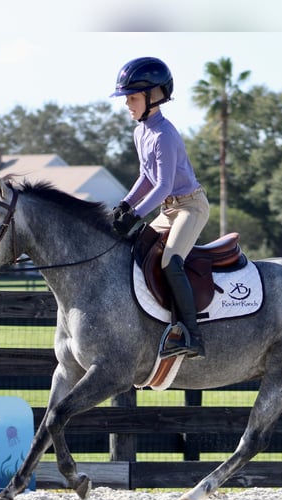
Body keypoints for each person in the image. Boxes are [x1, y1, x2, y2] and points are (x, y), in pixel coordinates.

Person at [110, 57, 210, 359]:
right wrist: (126, 204)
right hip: (168, 210)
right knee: (137, 252)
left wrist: (138, 214)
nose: (128, 104)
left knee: (170, 262)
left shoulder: (164, 134)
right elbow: (145, 176)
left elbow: (164, 185)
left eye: (133, 98)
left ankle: (192, 335)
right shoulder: (141, 132)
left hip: (190, 208)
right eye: (127, 98)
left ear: (154, 97)